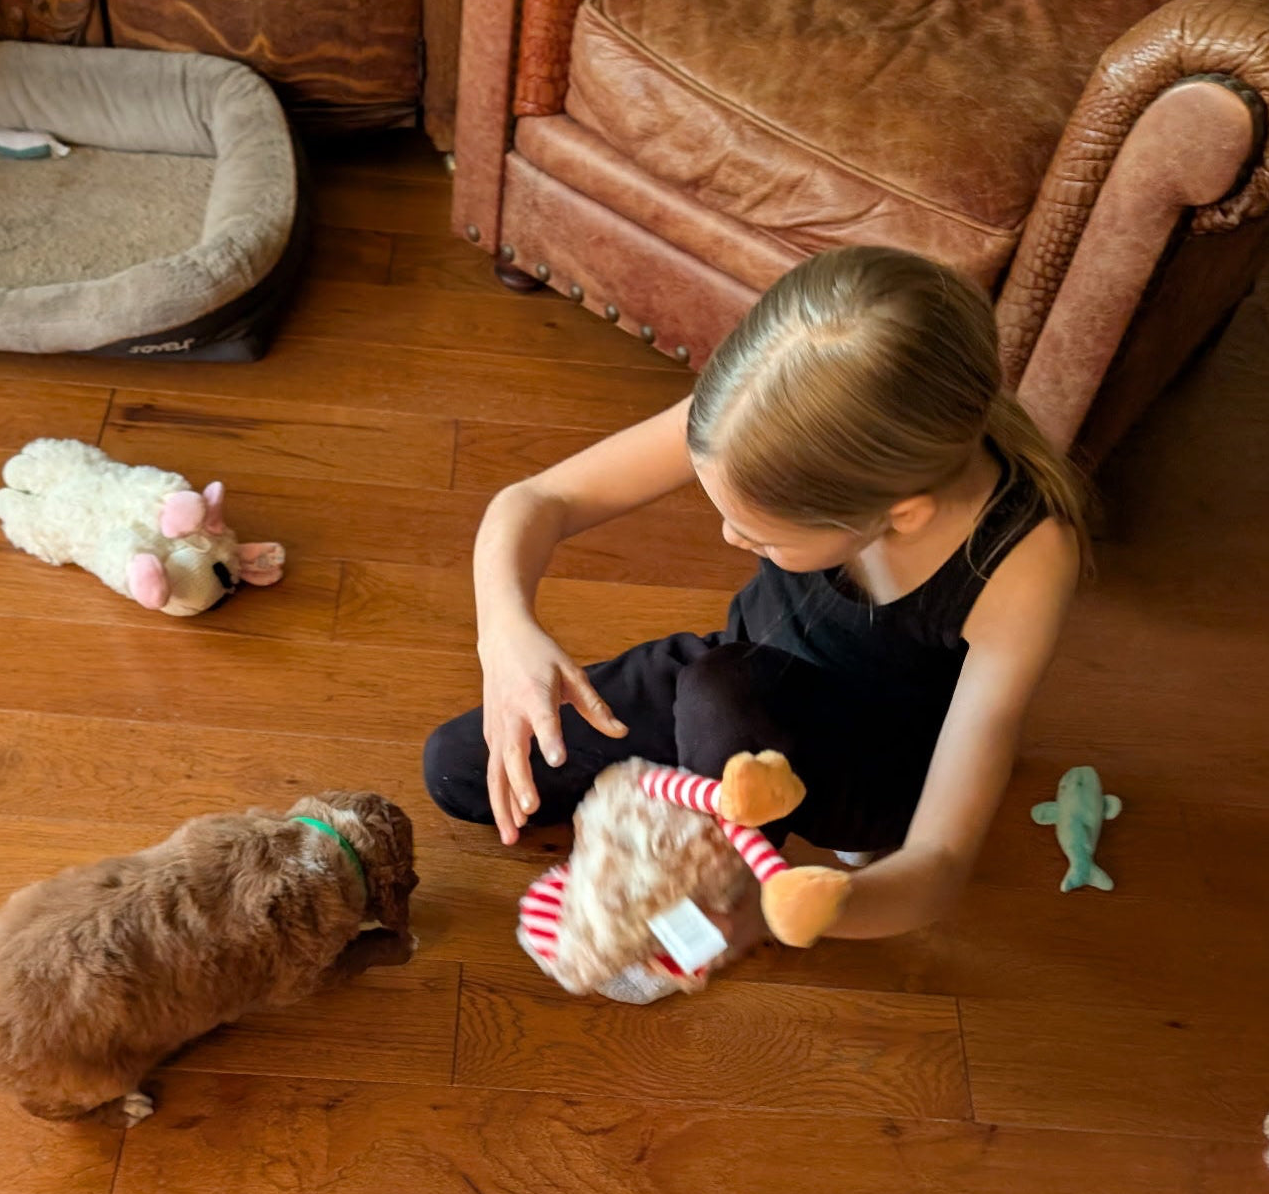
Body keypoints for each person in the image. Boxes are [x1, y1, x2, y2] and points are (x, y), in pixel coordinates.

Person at [423, 246, 1085, 942]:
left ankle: (731, 844)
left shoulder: (1021, 563)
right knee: (461, 768)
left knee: (718, 689)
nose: (728, 537)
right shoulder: (767, 411)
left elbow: (939, 861)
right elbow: (539, 498)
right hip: (740, 675)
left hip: (862, 763)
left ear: (900, 514)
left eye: (761, 537)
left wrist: (803, 909)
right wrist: (504, 633)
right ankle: (709, 799)